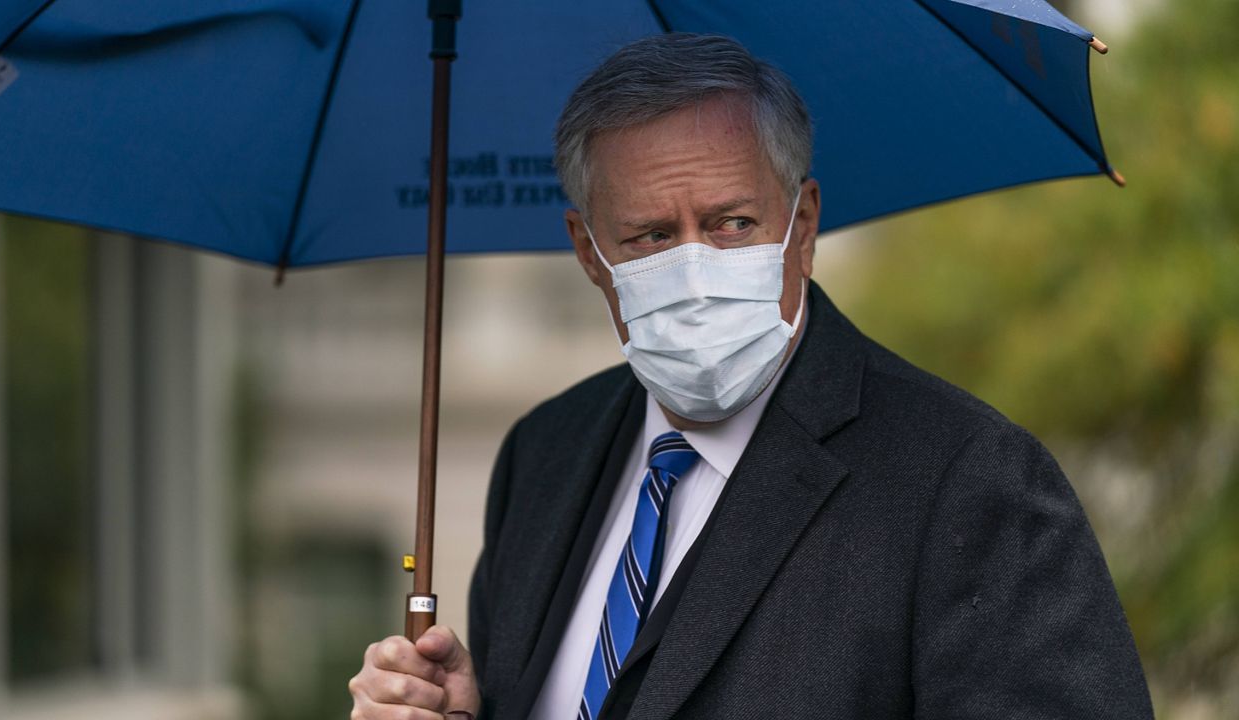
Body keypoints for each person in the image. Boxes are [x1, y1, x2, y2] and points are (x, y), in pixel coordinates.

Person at [348, 33, 1154, 720]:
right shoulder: (543, 455)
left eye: (732, 224)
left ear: (801, 227)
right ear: (589, 252)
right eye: (650, 236)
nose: (694, 268)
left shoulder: (970, 481)